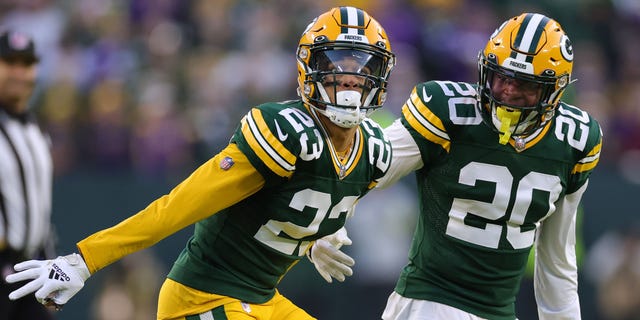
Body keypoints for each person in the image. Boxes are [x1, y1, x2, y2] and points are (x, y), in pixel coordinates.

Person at [4, 6, 396, 320]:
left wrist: (312, 241)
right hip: (203, 298)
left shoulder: (373, 152)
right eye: (337, 65)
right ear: (310, 69)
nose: (350, 80)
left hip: (260, 300)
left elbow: (287, 204)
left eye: (363, 68)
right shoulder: (284, 131)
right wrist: (86, 259)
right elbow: (177, 206)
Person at [313, 12, 603, 320]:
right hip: (429, 303)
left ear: (553, 91)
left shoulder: (575, 141)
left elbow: (557, 261)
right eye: (501, 77)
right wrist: (323, 218)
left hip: (499, 312)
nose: (507, 91)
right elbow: (369, 165)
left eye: (525, 84)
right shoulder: (448, 111)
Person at [0, 30, 57, 320]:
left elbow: (38, 205)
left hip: (33, 266)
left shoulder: (34, 129)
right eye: (10, 63)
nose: (19, 73)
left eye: (27, 64)